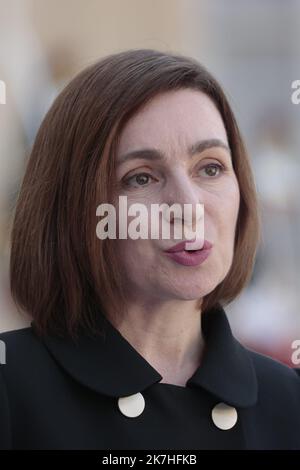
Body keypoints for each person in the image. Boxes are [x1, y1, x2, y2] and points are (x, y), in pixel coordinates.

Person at [0, 49, 299, 450]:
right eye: (141, 178)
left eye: (210, 168)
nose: (188, 206)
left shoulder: (287, 401)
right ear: (73, 208)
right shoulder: (12, 390)